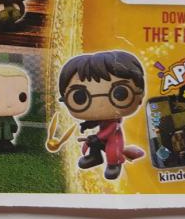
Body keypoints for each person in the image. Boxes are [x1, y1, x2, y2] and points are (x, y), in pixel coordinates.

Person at [57, 50, 146, 180]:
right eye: (79, 97)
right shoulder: (104, 117)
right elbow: (99, 121)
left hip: (114, 140)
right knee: (93, 143)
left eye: (120, 92)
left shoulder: (115, 120)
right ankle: (95, 157)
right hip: (103, 138)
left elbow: (112, 128)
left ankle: (114, 165)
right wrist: (88, 124)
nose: (99, 103)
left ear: (140, 94)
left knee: (112, 151)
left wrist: (98, 137)